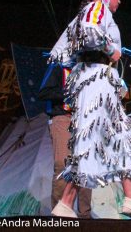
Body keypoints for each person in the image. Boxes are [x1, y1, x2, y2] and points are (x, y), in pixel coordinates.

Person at [49, 0, 131, 219]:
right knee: (92, 141)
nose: (119, 0)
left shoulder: (89, 11)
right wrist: (111, 50)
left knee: (120, 136)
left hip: (99, 79)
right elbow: (91, 33)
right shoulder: (96, 8)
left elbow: (64, 52)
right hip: (95, 81)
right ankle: (66, 203)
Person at [38, 62, 92, 218]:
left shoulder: (90, 68)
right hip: (63, 118)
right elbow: (44, 93)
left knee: (86, 167)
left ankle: (85, 216)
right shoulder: (59, 66)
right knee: (63, 164)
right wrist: (70, 91)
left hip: (85, 120)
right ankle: (60, 214)